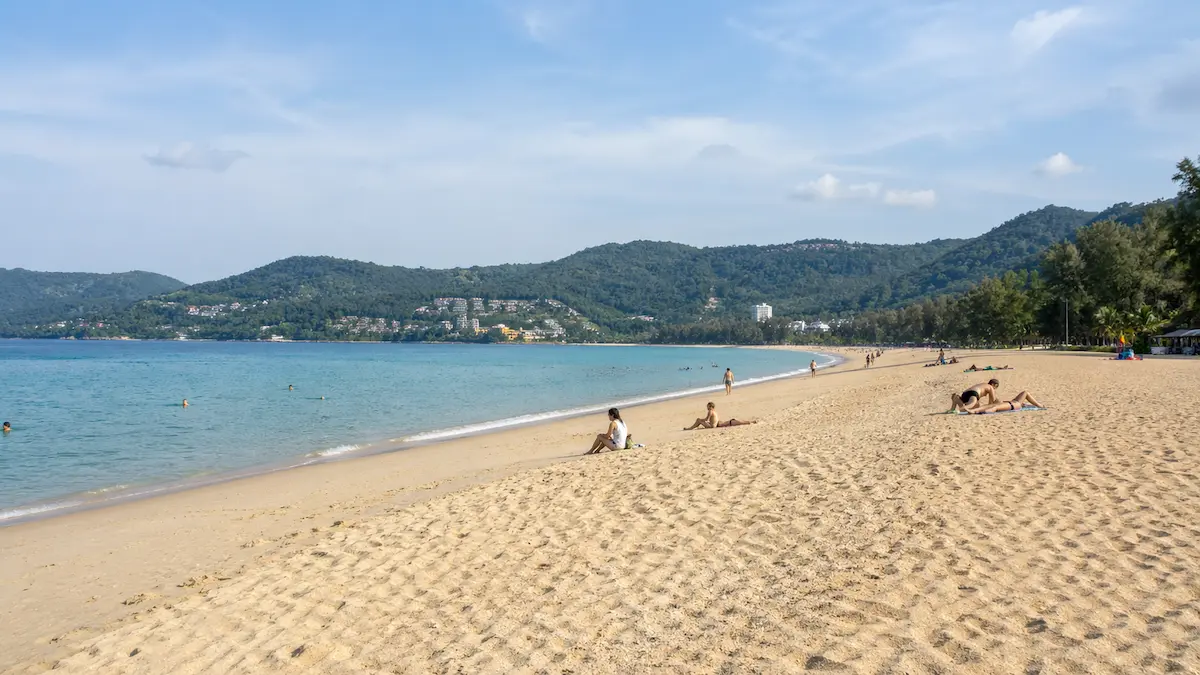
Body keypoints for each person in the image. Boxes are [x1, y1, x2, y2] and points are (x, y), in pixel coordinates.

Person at [684, 402, 757, 430]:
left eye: (708, 406)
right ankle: (749, 422)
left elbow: (707, 419)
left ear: (710, 407)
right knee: (734, 421)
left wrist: (700, 420)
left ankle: (690, 428)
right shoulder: (714, 411)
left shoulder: (710, 411)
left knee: (698, 420)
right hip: (715, 424)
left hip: (712, 426)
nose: (707, 407)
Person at [969, 390, 1044, 414]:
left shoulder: (1019, 403)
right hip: (1012, 403)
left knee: (995, 407)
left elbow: (1026, 394)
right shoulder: (1018, 402)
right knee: (990, 406)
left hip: (1012, 404)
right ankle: (974, 410)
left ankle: (979, 411)